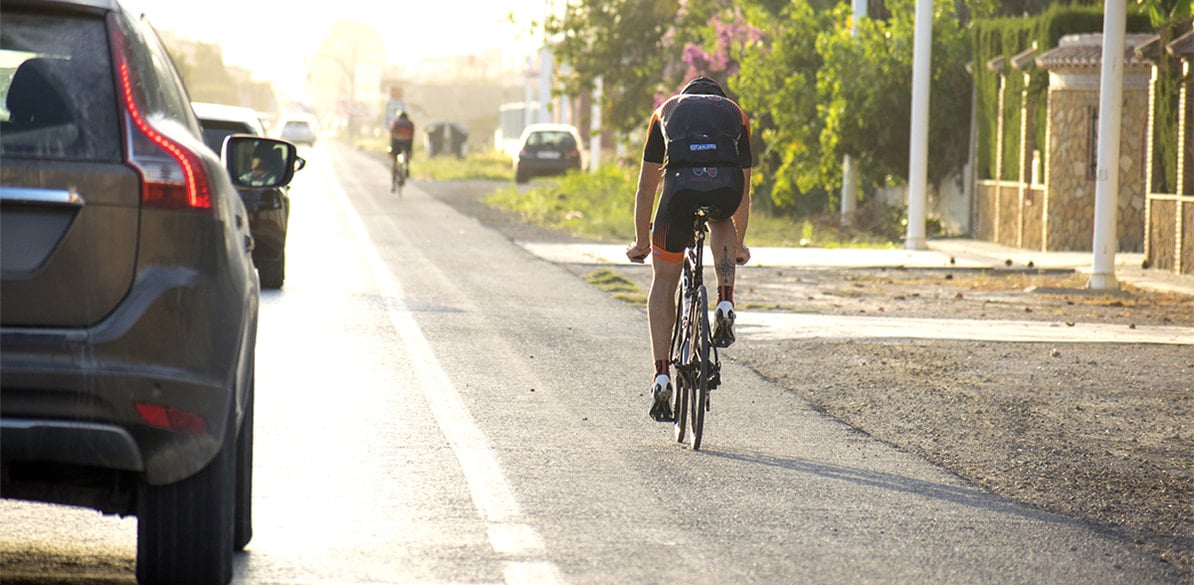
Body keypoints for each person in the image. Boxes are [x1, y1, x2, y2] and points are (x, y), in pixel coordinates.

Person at [625, 76, 753, 422]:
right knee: (723, 218)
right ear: (718, 99)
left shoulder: (665, 111)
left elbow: (646, 188)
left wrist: (641, 242)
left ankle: (662, 374)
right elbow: (744, 191)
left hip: (678, 193)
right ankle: (725, 298)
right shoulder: (735, 113)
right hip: (724, 187)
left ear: (687, 97)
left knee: (664, 281)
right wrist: (739, 245)